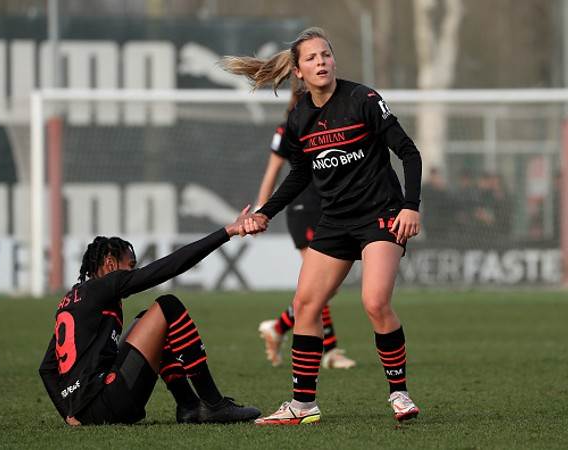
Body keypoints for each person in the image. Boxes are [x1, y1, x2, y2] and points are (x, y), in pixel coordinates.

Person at [222, 27, 422, 425]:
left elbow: (409, 152)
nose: (322, 62)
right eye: (312, 58)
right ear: (298, 70)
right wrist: (264, 212)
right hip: (335, 221)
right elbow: (299, 176)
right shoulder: (299, 116)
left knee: (375, 302)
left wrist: (410, 207)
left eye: (326, 55)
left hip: (380, 216)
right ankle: (302, 405)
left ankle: (399, 394)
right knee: (305, 306)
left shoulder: (363, 99)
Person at [39, 207, 261, 426]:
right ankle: (214, 404)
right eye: (131, 266)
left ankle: (189, 405)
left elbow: (47, 368)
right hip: (109, 402)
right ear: (110, 263)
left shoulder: (73, 299)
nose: (133, 272)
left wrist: (68, 413)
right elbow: (170, 266)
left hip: (87, 409)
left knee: (148, 319)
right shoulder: (106, 285)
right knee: (168, 306)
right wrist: (227, 232)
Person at [256, 83, 356, 370]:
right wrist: (262, 212)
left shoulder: (333, 123)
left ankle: (278, 326)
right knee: (320, 284)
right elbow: (273, 170)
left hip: (329, 208)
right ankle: (331, 351)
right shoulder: (288, 128)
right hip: (302, 209)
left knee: (325, 287)